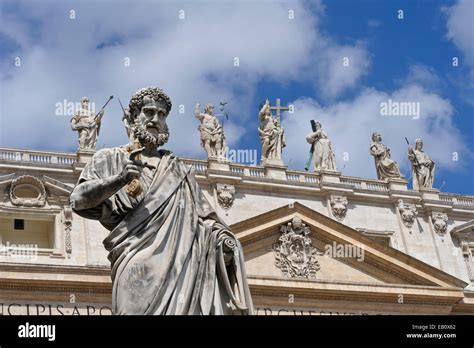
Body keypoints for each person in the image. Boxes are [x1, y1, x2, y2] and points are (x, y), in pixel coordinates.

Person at [70, 87, 253, 315]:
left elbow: (206, 221)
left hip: (181, 272)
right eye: (148, 111)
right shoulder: (110, 158)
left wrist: (222, 242)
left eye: (162, 114)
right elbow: (78, 200)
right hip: (135, 264)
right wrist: (118, 180)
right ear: (132, 117)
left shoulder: (179, 171)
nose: (155, 119)